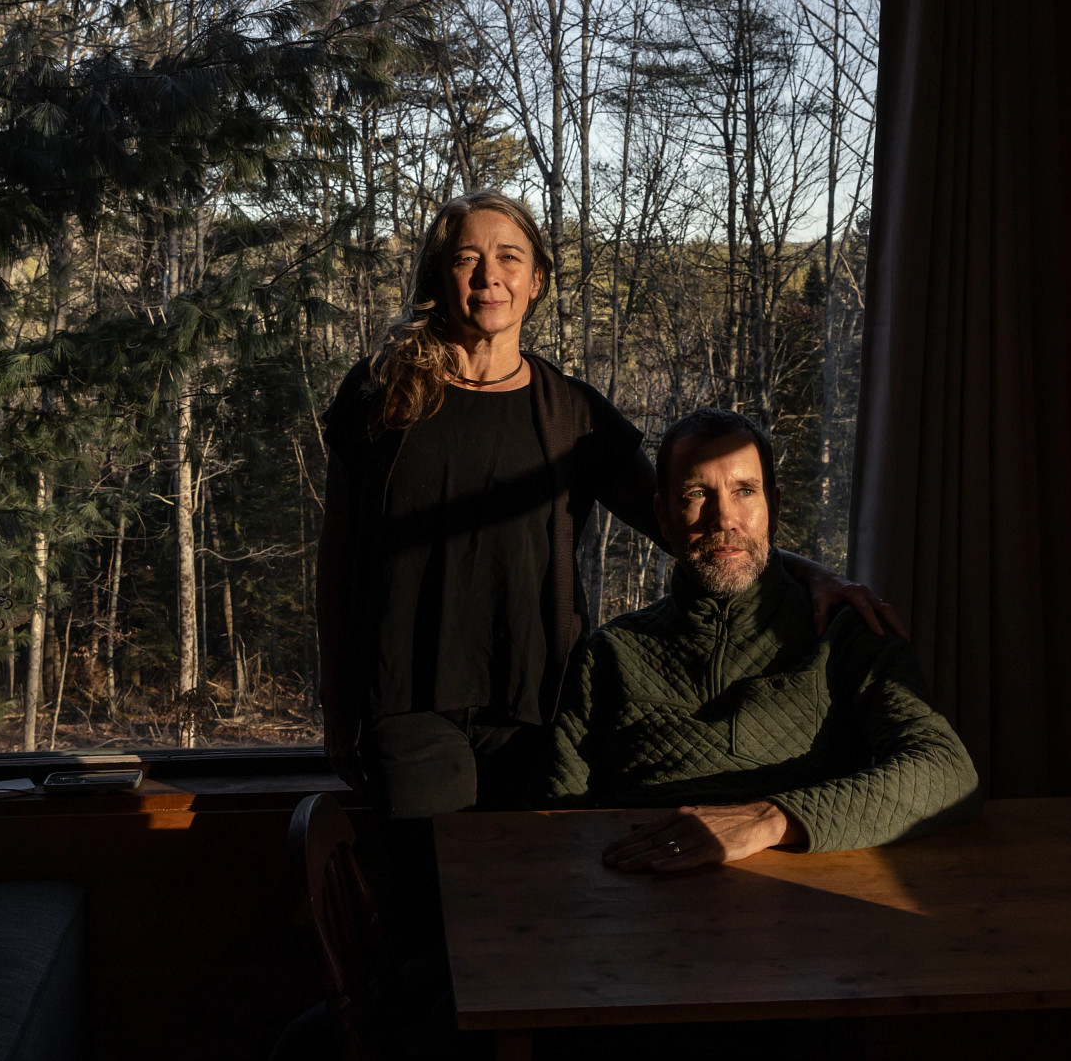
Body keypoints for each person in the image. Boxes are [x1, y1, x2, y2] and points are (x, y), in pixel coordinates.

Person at [316, 190, 904, 820]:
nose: (489, 276)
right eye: (466, 259)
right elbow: (339, 554)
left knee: (529, 875)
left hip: (539, 708)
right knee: (436, 873)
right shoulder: (383, 393)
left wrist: (812, 575)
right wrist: (338, 701)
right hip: (407, 703)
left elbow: (682, 527)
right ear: (439, 276)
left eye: (509, 257)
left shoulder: (574, 415)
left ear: (537, 281)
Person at [541, 407, 981, 869]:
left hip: (809, 893)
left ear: (774, 506)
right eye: (697, 494)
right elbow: (553, 822)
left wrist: (769, 820)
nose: (724, 519)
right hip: (640, 892)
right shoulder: (611, 653)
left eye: (745, 492)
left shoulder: (844, 631)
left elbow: (946, 770)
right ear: (663, 516)